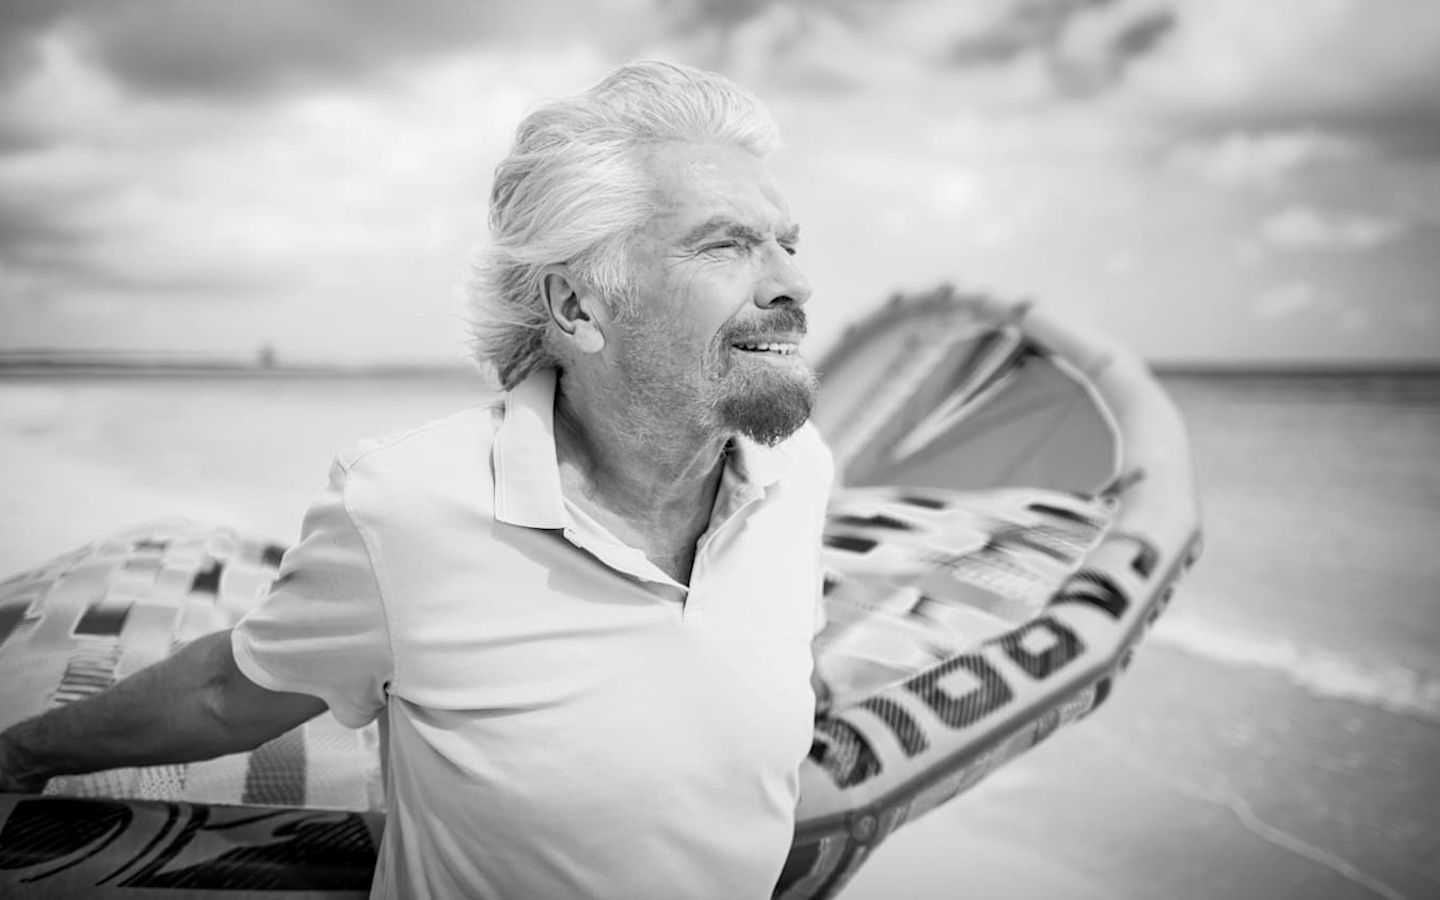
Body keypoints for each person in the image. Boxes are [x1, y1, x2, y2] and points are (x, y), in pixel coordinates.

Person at [0, 60, 833, 899]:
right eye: (726, 245)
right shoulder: (408, 506)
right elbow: (228, 691)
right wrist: (22, 754)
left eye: (786, 243)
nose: (793, 282)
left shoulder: (799, 474)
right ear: (579, 309)